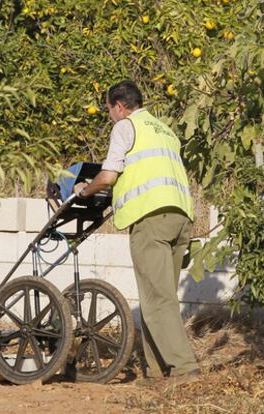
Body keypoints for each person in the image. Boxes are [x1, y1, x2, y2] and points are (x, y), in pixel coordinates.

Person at [74, 80, 200, 382]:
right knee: (160, 296)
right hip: (180, 218)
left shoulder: (125, 127)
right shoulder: (164, 130)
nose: (110, 117)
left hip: (151, 219)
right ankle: (157, 372)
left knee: (157, 299)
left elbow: (107, 176)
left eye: (109, 110)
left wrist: (84, 191)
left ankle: (184, 368)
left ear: (119, 106)